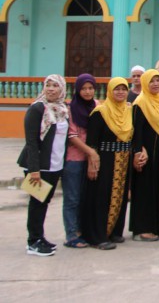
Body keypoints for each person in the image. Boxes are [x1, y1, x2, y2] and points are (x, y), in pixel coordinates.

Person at [18, 74, 70, 257]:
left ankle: (40, 237)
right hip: (38, 167)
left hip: (55, 165)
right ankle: (33, 242)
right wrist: (34, 170)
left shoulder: (63, 109)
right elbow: (31, 142)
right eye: (48, 85)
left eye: (55, 86)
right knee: (37, 202)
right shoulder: (37, 108)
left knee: (45, 202)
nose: (51, 89)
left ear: (62, 89)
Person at [81, 77, 133, 250]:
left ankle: (114, 231)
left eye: (124, 89)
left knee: (120, 195)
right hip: (105, 160)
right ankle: (98, 236)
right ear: (110, 91)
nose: (120, 92)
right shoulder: (100, 112)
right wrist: (92, 163)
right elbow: (92, 142)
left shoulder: (128, 110)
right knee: (102, 196)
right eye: (117, 89)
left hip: (123, 160)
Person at [130, 69, 159, 242]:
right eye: (152, 81)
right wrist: (138, 151)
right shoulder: (140, 102)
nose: (156, 84)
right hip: (145, 154)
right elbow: (136, 130)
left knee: (157, 188)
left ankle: (155, 226)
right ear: (145, 83)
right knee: (144, 190)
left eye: (158, 80)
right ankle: (141, 229)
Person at [62, 73, 98, 249]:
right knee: (73, 198)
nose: (87, 92)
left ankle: (84, 231)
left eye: (90, 88)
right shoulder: (70, 108)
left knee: (87, 197)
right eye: (83, 88)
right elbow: (72, 135)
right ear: (77, 89)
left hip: (92, 159)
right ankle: (71, 234)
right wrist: (91, 152)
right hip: (74, 159)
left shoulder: (97, 106)